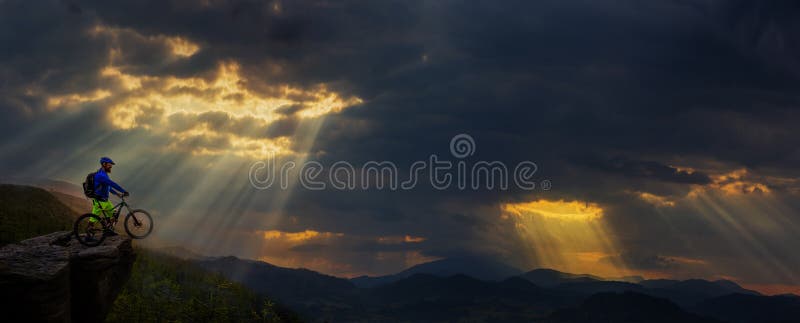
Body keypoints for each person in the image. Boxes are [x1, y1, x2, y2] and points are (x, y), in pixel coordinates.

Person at [90, 156, 129, 236]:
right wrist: (123, 191)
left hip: (105, 201)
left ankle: (108, 231)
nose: (111, 166)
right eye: (109, 164)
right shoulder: (101, 175)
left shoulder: (104, 174)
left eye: (111, 164)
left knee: (114, 215)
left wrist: (117, 194)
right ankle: (88, 235)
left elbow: (108, 187)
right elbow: (112, 184)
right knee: (93, 220)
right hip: (99, 201)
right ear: (104, 164)